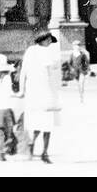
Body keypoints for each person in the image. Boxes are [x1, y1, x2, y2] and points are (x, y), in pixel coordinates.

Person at [18, 27, 62, 163]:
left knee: (36, 122)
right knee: (47, 123)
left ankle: (32, 146)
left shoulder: (29, 51)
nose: (50, 42)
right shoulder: (47, 52)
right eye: (49, 39)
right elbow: (53, 69)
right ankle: (44, 152)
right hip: (45, 90)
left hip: (32, 91)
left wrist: (21, 90)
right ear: (44, 40)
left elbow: (23, 72)